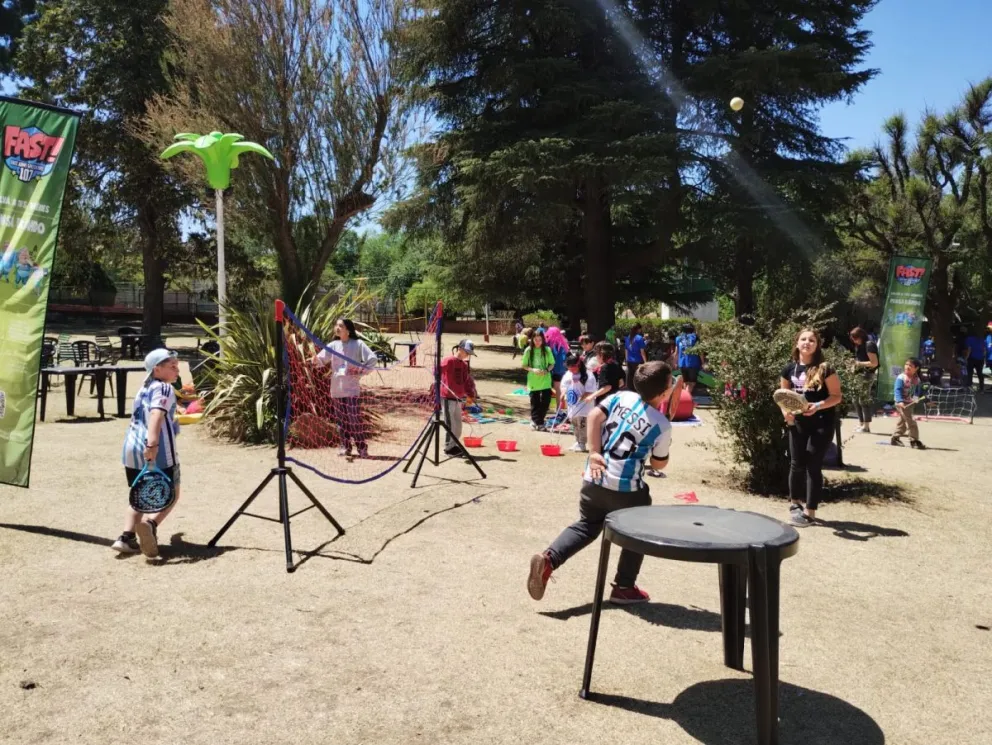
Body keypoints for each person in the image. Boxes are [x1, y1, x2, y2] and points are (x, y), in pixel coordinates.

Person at [527, 362, 682, 604]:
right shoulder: (661, 424)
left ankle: (549, 559)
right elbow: (659, 464)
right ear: (663, 394)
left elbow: (594, 415)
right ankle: (624, 586)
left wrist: (594, 452)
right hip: (627, 490)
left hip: (594, 478)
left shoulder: (621, 397)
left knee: (587, 525)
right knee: (639, 531)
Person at [114, 349, 183, 558]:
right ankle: (150, 525)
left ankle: (126, 537)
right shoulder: (163, 387)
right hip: (156, 450)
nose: (177, 369)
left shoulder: (144, 388)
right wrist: (152, 444)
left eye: (176, 364)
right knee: (172, 493)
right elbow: (156, 415)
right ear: (157, 369)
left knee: (140, 494)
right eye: (171, 365)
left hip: (130, 448)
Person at [779, 329, 843, 527]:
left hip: (822, 422)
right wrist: (785, 413)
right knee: (796, 463)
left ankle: (810, 511)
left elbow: (836, 396)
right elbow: (783, 397)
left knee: (813, 465)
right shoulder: (789, 369)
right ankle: (795, 504)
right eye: (803, 339)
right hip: (798, 423)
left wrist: (817, 406)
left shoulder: (825, 368)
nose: (807, 342)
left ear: (817, 345)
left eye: (812, 340)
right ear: (797, 343)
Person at [314, 317, 378, 458]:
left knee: (354, 419)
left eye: (341, 326)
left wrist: (360, 370)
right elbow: (320, 360)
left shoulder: (358, 344)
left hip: (351, 389)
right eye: (336, 325)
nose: (337, 328)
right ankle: (345, 447)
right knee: (341, 421)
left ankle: (362, 448)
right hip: (337, 388)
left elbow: (372, 359)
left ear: (348, 330)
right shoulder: (332, 345)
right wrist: (314, 359)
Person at [441, 339, 478, 457]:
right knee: (450, 424)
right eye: (466, 352)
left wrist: (471, 395)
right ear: (460, 349)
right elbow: (436, 372)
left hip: (458, 399)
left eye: (469, 353)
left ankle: (453, 445)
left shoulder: (463, 365)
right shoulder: (448, 360)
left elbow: (466, 382)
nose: (467, 355)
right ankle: (448, 448)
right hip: (447, 398)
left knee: (458, 425)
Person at [561, 354, 598, 452]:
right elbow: (564, 385)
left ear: (578, 365)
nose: (571, 370)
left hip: (583, 404)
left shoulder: (588, 375)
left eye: (573, 368)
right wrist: (563, 393)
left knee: (582, 423)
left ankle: (582, 443)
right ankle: (577, 441)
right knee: (574, 423)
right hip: (572, 403)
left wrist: (580, 399)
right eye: (569, 368)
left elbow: (590, 391)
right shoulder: (568, 373)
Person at [522, 329, 555, 430]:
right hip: (533, 380)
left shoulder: (547, 350)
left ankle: (538, 421)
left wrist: (546, 370)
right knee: (535, 402)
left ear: (543, 340)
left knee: (546, 401)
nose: (537, 342)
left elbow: (552, 364)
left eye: (540, 340)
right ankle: (538, 422)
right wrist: (533, 370)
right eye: (535, 340)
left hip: (545, 379)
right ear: (532, 339)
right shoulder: (528, 350)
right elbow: (524, 366)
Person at [849, 327, 879, 433]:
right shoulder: (859, 345)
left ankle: (866, 426)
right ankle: (861, 424)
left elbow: (874, 363)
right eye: (852, 338)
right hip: (858, 374)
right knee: (855, 399)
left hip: (867, 375)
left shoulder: (869, 344)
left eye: (855, 338)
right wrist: (853, 364)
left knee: (863, 399)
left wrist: (858, 364)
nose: (854, 340)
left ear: (861, 336)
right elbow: (861, 359)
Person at [892, 358, 926, 449]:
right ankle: (914, 440)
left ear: (916, 368)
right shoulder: (901, 377)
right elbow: (897, 390)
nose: (907, 367)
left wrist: (917, 398)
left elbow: (917, 391)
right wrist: (900, 401)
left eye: (910, 365)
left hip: (910, 404)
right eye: (906, 364)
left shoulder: (917, 379)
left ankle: (895, 438)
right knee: (911, 421)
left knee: (902, 422)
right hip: (901, 404)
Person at [545, 326, 570, 404]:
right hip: (561, 369)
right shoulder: (563, 343)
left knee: (547, 387)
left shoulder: (548, 343)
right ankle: (559, 407)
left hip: (550, 368)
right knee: (558, 388)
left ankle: (548, 405)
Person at [675, 323, 703, 394]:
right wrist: (703, 362)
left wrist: (675, 362)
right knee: (692, 383)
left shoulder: (678, 338)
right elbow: (700, 352)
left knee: (686, 382)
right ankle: (687, 397)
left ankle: (685, 398)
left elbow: (676, 352)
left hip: (682, 363)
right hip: (693, 363)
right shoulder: (695, 338)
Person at [624, 323, 648, 391]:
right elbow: (642, 352)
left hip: (629, 360)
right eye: (640, 329)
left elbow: (626, 350)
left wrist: (626, 360)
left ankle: (631, 390)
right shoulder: (639, 338)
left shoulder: (628, 337)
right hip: (638, 361)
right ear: (638, 329)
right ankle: (638, 390)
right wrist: (645, 362)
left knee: (630, 376)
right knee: (638, 377)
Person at [962, 327, 986, 392]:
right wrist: (983, 358)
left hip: (972, 358)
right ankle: (981, 388)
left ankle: (969, 387)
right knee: (980, 373)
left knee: (970, 373)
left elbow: (969, 350)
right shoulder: (982, 340)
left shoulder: (969, 339)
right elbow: (984, 351)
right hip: (980, 359)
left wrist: (966, 358)